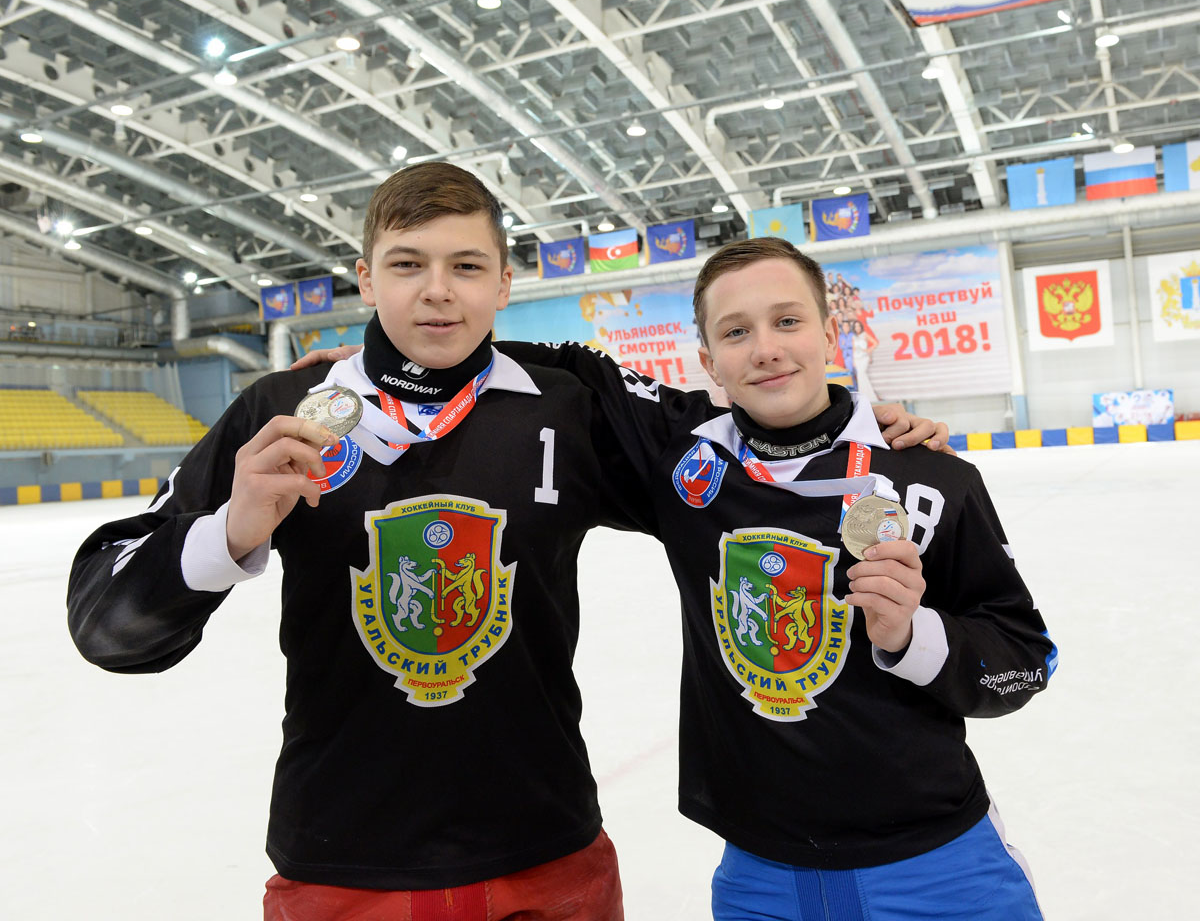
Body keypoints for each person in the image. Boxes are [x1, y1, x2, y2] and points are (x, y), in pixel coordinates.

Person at [66, 164, 945, 921]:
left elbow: (750, 455)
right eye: (407, 265)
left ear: (503, 284)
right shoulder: (283, 411)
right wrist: (231, 529)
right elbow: (106, 625)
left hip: (547, 853)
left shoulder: (573, 404)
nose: (437, 291)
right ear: (366, 279)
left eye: (466, 266)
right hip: (345, 862)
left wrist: (863, 430)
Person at [495, 237, 1055, 919]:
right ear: (709, 361)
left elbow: (1024, 659)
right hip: (762, 880)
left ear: (830, 334)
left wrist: (912, 636)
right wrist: (391, 352)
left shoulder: (930, 477)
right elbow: (572, 369)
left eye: (787, 321)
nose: (765, 349)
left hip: (939, 869)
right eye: (736, 332)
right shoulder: (682, 462)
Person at [851, 318, 879, 402]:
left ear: (861, 327)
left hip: (864, 357)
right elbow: (853, 349)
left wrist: (869, 350)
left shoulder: (865, 334)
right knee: (860, 376)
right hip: (857, 358)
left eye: (858, 326)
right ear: (854, 328)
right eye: (856, 326)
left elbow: (875, 343)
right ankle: (864, 395)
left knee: (861, 374)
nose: (857, 328)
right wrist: (853, 360)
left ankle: (870, 396)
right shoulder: (853, 337)